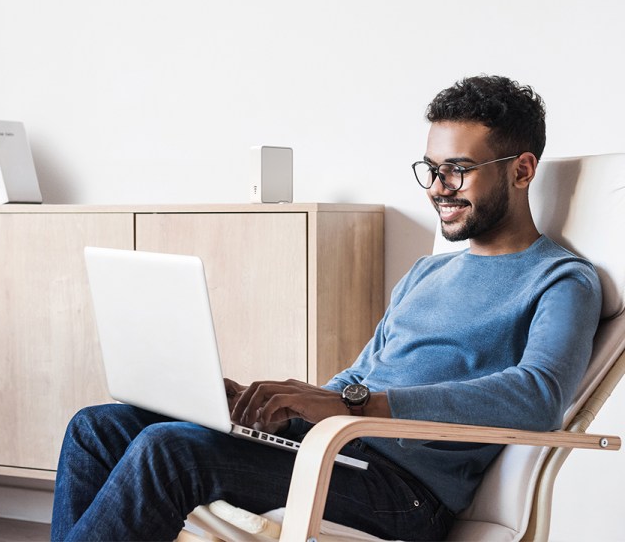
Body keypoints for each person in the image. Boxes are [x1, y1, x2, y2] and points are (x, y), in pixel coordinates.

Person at [50, 75, 602, 541]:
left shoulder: (560, 279)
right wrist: (277, 407)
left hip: (405, 491)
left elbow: (538, 397)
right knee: (97, 427)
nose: (437, 188)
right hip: (336, 449)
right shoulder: (429, 271)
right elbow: (361, 376)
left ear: (522, 170)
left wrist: (357, 405)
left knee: (169, 451)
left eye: (457, 168)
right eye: (430, 168)